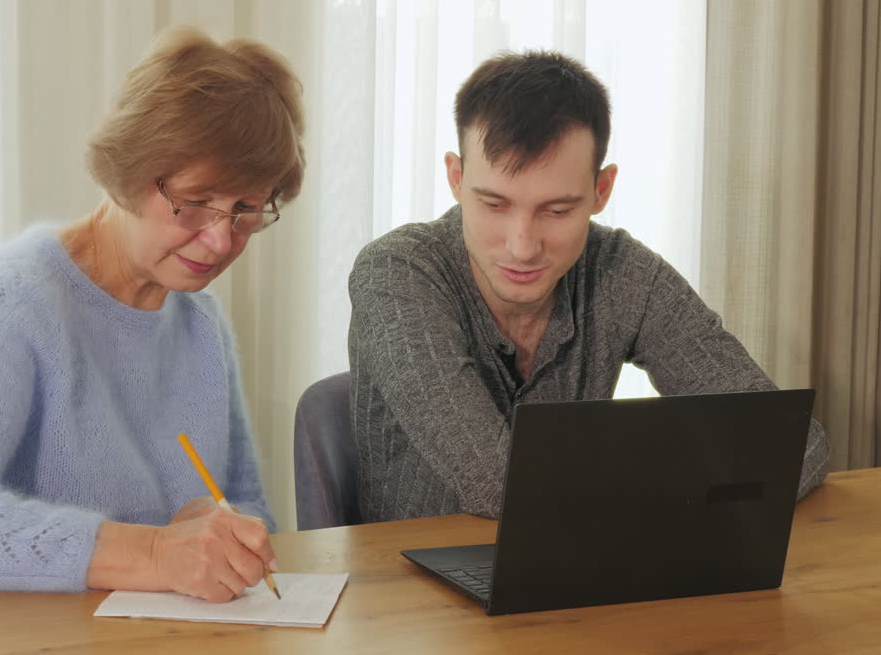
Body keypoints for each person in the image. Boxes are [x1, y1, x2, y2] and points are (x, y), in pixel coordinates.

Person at [0, 27, 304, 600]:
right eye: (197, 201)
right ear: (132, 168)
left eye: (247, 210)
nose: (222, 241)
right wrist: (152, 553)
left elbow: (248, 507)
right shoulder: (13, 300)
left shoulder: (201, 323)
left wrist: (226, 531)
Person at [347, 49, 830, 523]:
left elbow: (795, 446)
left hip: (586, 570)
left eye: (556, 211)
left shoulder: (623, 270)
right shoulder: (395, 273)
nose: (522, 246)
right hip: (408, 591)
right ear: (456, 177)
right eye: (495, 205)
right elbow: (497, 485)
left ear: (602, 191)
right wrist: (684, 476)